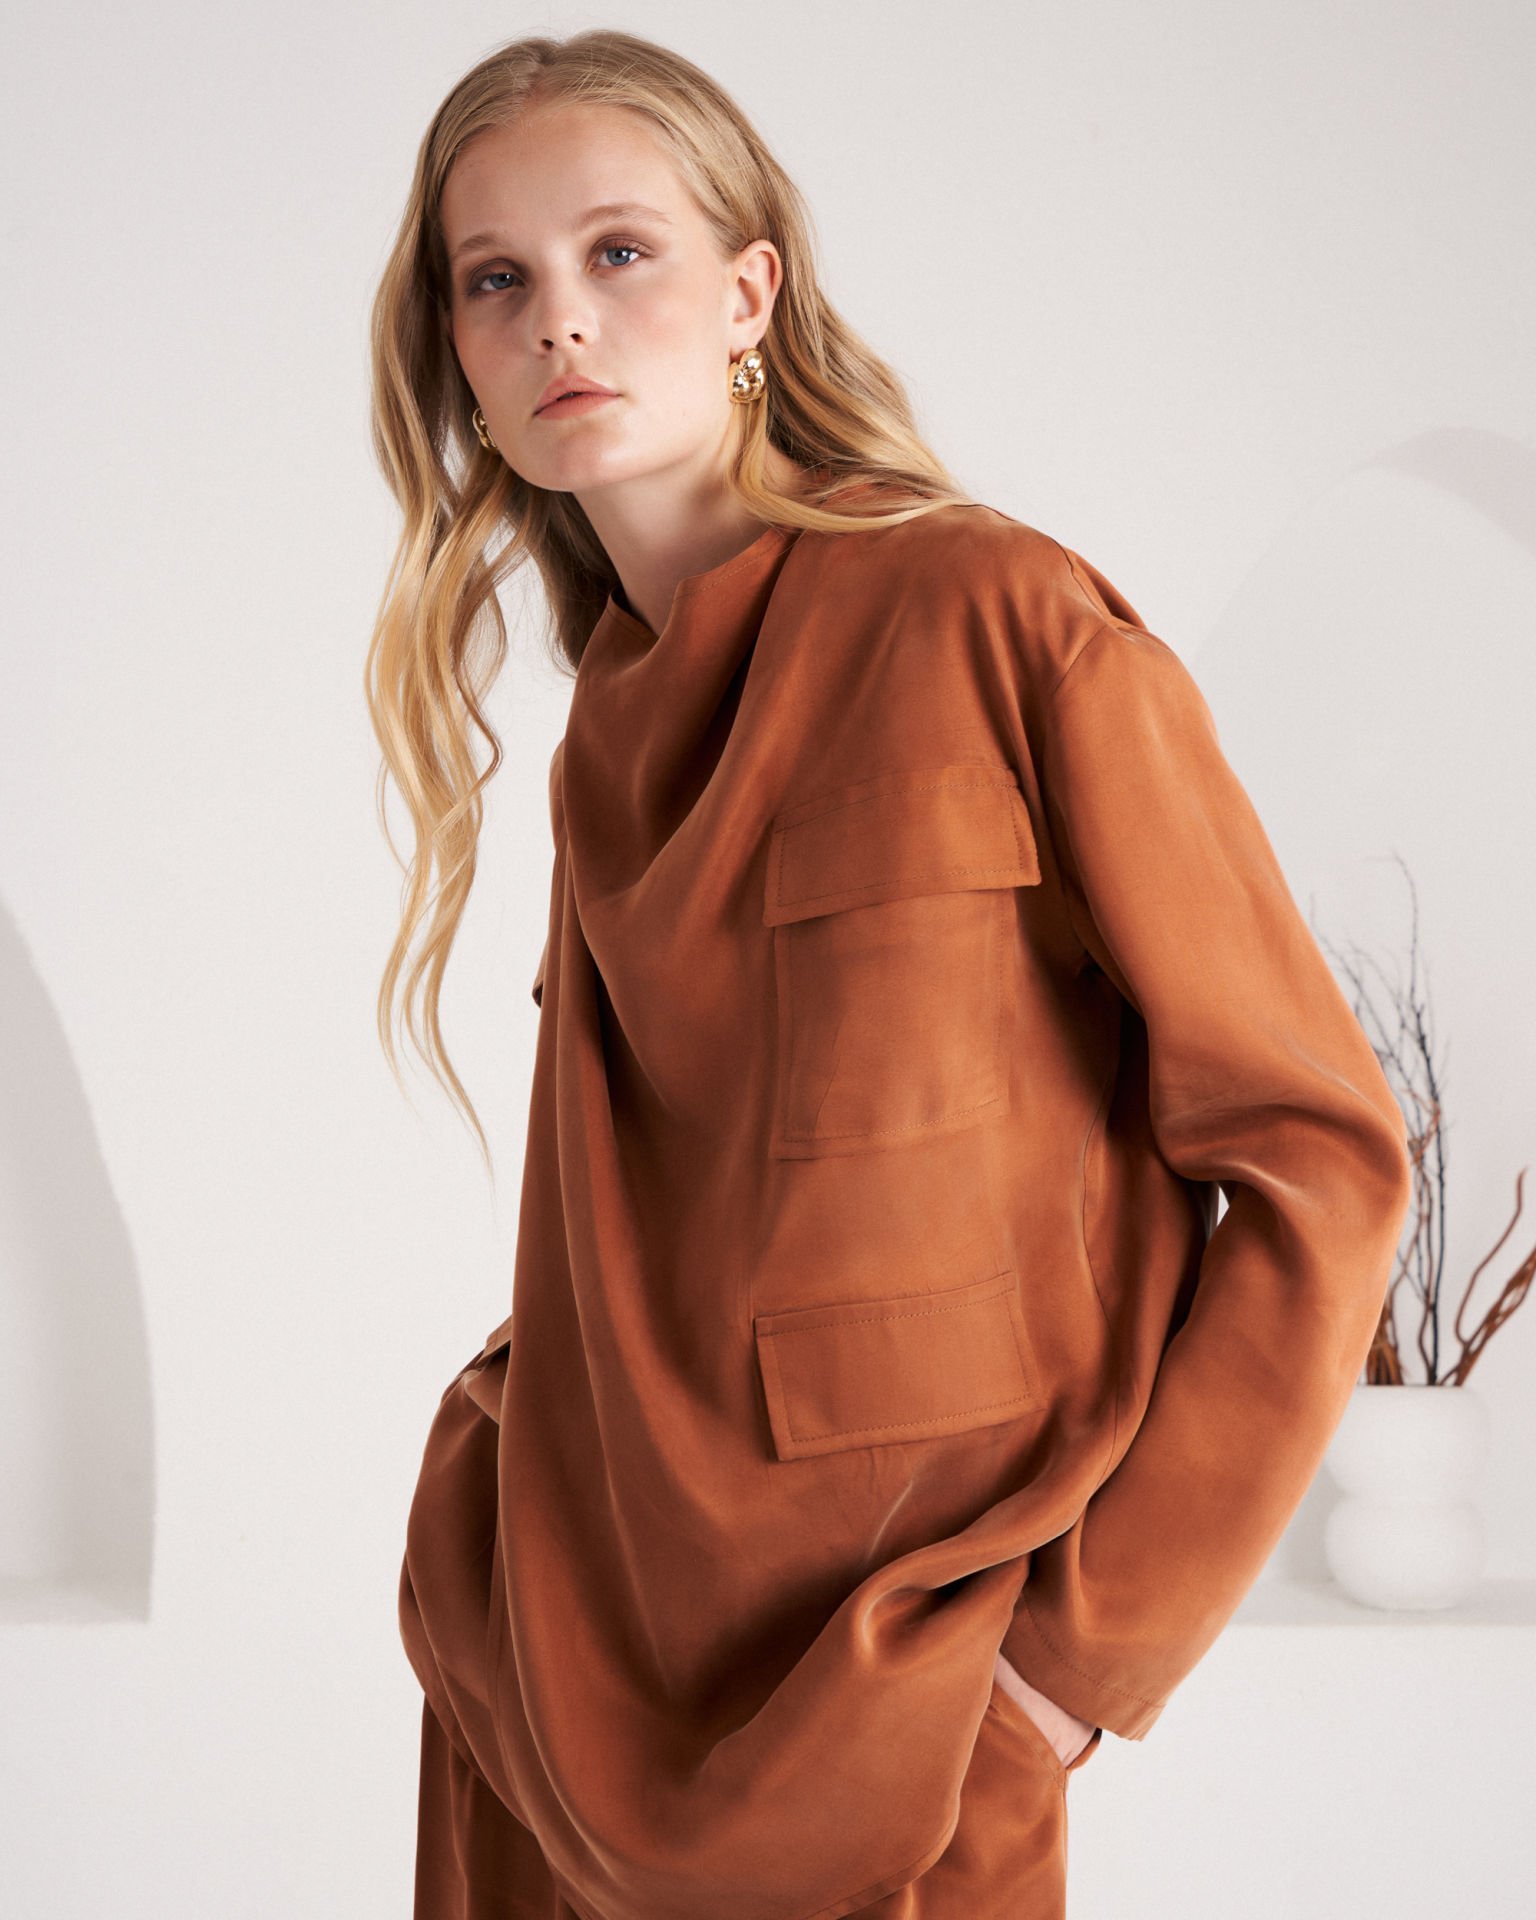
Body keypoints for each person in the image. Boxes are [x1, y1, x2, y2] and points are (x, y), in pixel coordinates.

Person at [368, 27, 1414, 1920]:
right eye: (493, 280)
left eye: (621, 252)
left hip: (902, 1719)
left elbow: (1322, 1162)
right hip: (560, 1671)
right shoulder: (608, 728)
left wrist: (1072, 1666)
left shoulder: (996, 618)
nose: (557, 322)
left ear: (750, 292)